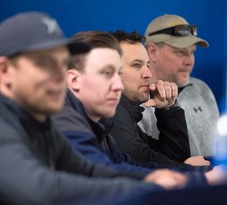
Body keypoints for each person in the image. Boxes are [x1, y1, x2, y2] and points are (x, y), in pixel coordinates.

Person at [0, 12, 189, 205]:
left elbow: (93, 170)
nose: (59, 75)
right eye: (45, 63)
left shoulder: (41, 123)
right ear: (5, 70)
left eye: (62, 62)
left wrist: (160, 179)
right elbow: (44, 189)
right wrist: (152, 188)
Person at [109, 30, 210, 170]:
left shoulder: (127, 112)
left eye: (148, 65)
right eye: (136, 65)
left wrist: (168, 110)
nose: (148, 74)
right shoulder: (111, 109)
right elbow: (136, 159)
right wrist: (188, 169)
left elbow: (173, 156)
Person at [139, 14, 220, 157]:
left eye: (192, 52)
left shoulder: (202, 89)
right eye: (181, 52)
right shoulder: (137, 99)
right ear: (152, 52)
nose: (189, 61)